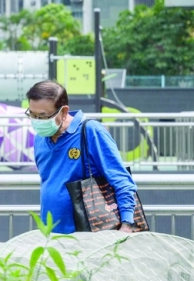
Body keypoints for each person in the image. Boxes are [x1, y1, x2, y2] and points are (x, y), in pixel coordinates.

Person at [26, 80, 136, 234]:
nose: (37, 121)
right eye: (32, 114)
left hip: (88, 235)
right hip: (50, 234)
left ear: (64, 112)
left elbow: (121, 179)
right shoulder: (40, 138)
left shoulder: (91, 131)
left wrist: (127, 224)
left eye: (43, 116)